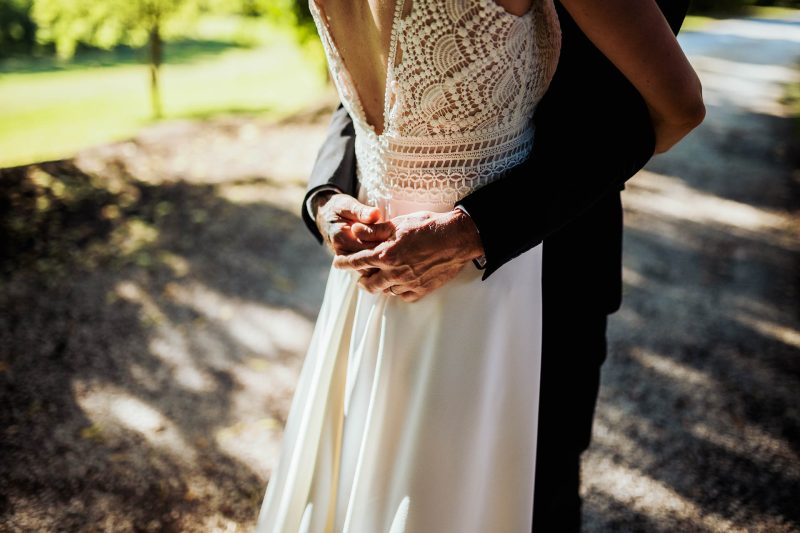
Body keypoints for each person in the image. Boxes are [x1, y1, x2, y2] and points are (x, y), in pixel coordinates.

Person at [257, 1, 703, 531]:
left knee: (528, 494)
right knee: (375, 479)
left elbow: (629, 116)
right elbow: (364, 90)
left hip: (545, 274)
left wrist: (480, 225)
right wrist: (327, 196)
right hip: (375, 282)